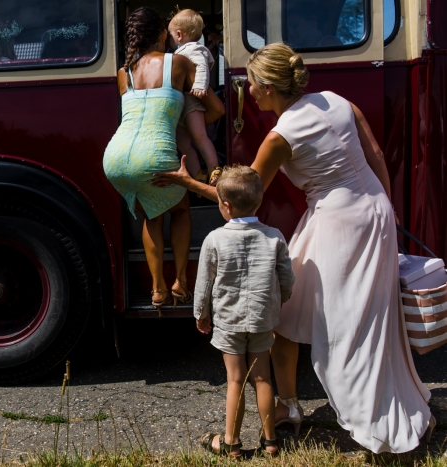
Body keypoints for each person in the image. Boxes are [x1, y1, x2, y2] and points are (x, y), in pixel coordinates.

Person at [151, 43, 435, 454]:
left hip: (338, 224)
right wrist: (385, 211)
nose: (247, 90)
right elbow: (374, 155)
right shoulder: (337, 101)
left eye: (251, 83)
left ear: (268, 87)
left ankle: (369, 420)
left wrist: (188, 183)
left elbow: (244, 195)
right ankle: (289, 405)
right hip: (374, 211)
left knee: (341, 326)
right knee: (359, 317)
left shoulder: (281, 135)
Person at [103, 7, 224, 311]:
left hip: (117, 157)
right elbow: (217, 110)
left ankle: (157, 289)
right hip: (155, 153)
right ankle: (180, 281)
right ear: (161, 33)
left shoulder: (124, 73)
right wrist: (184, 121)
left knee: (151, 215)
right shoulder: (178, 63)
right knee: (181, 210)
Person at [195, 165, 294, 457]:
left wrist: (202, 314)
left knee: (235, 379)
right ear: (259, 201)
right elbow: (286, 279)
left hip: (229, 320)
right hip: (263, 318)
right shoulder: (274, 237)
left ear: (225, 205)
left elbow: (204, 284)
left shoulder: (215, 239)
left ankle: (232, 444)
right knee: (263, 377)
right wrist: (280, 301)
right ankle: (270, 442)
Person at [168, 9, 220, 183]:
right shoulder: (182, 51)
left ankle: (214, 167)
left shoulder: (193, 49)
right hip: (180, 103)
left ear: (179, 34)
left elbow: (202, 67)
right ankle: (198, 173)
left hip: (191, 101)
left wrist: (199, 86)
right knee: (183, 144)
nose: (170, 39)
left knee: (199, 137)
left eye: (171, 35)